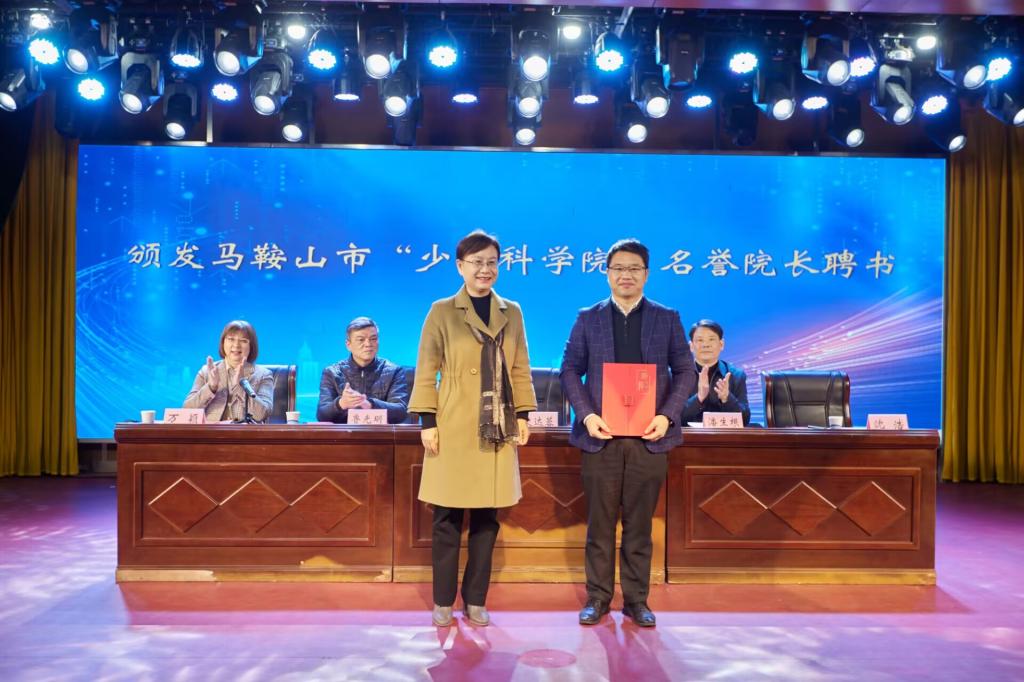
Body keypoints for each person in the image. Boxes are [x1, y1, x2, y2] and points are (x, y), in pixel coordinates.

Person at [560, 238, 696, 628]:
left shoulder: (666, 317)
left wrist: (667, 416)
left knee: (640, 525)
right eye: (618, 268)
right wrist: (587, 415)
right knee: (600, 524)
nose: (626, 275)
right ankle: (598, 598)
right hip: (600, 437)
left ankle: (637, 600)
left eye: (634, 268)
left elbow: (685, 370)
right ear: (607, 273)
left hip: (649, 438)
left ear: (646, 274)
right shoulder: (588, 318)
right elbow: (569, 370)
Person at [409, 230, 536, 628]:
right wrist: (427, 421)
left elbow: (520, 367)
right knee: (446, 517)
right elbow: (426, 368)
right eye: (477, 262)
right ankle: (443, 601)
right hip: (453, 424)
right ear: (460, 266)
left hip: (497, 427)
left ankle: (476, 600)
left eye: (491, 262)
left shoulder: (511, 311)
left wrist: (524, 415)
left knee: (486, 518)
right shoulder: (442, 311)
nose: (485, 269)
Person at [316, 317, 409, 424]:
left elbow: (401, 411)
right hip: (344, 433)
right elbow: (322, 415)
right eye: (361, 340)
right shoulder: (332, 373)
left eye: (373, 339)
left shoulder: (394, 371)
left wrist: (370, 404)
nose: (368, 344)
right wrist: (341, 403)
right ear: (348, 345)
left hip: (380, 433)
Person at [184, 319, 274, 423]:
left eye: (243, 341)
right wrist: (211, 388)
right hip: (211, 431)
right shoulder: (207, 371)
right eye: (231, 339)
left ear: (251, 346)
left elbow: (261, 414)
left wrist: (241, 386)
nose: (236, 345)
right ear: (223, 343)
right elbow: (187, 410)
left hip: (245, 432)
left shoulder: (263, 375)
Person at [682, 319, 751, 426]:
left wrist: (727, 398)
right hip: (687, 436)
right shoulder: (677, 376)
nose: (706, 345)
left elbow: (745, 420)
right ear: (691, 346)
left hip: (724, 436)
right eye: (700, 340)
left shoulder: (736, 375)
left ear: (721, 344)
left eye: (711, 339)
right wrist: (699, 398)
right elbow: (670, 418)